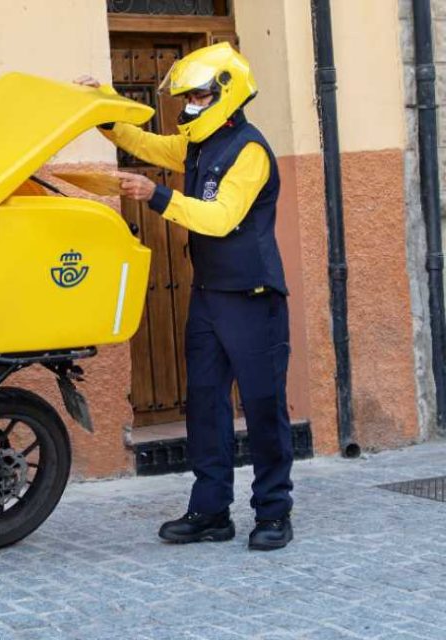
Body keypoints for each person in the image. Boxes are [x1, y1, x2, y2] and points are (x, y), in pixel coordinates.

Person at [75, 42, 293, 550]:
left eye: (198, 95)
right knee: (204, 405)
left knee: (263, 406)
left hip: (253, 297)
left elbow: (220, 219)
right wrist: (103, 108)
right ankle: (211, 510)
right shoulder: (197, 143)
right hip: (210, 295)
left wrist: (154, 195)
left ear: (224, 93)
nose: (189, 104)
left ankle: (274, 512)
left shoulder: (250, 150)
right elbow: (149, 145)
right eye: (188, 95)